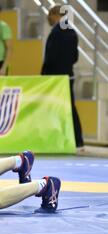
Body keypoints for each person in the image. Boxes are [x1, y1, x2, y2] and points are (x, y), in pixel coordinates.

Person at [41, 4, 84, 148]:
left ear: (55, 15)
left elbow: (50, 57)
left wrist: (44, 74)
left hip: (55, 78)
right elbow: (75, 57)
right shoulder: (72, 32)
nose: (49, 20)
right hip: (68, 75)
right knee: (71, 108)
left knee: (54, 108)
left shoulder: (56, 33)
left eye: (50, 17)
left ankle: (56, 141)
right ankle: (78, 140)